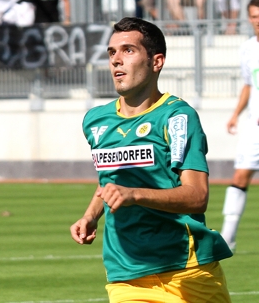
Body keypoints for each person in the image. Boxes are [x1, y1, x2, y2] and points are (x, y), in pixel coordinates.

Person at [70, 17, 232, 303]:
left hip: (186, 271)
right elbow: (111, 180)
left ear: (156, 61)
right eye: (111, 53)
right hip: (125, 273)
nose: (116, 60)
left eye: (128, 50)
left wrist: (134, 195)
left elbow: (197, 196)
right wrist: (91, 215)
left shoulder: (177, 117)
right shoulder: (95, 120)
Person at [220, 0, 259, 252]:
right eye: (255, 16)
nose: (258, 21)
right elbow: (248, 84)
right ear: (248, 18)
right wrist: (236, 113)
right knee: (240, 176)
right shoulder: (247, 48)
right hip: (254, 126)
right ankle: (227, 239)